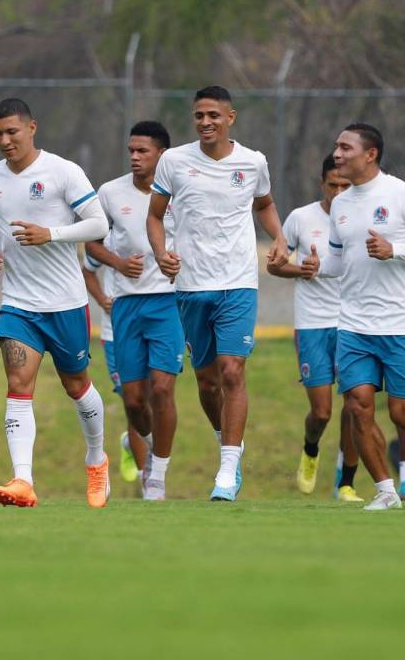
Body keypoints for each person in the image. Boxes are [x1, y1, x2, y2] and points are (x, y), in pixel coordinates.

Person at [303, 123, 405, 511]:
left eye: (345, 147)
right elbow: (340, 262)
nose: (337, 154)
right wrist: (316, 266)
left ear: (370, 154)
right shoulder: (340, 204)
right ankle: (386, 490)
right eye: (336, 146)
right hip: (353, 325)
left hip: (400, 326)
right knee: (357, 406)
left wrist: (396, 250)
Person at [147, 86, 288, 502]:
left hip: (238, 282)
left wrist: (278, 237)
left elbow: (264, 205)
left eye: (213, 115)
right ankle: (226, 440)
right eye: (198, 116)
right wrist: (161, 254)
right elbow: (155, 217)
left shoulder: (253, 161)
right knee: (208, 383)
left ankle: (227, 469)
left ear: (231, 118)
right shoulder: (173, 161)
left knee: (232, 372)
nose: (205, 122)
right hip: (190, 285)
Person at [0, 98, 110, 508]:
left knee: (77, 386)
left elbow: (99, 224)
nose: (5, 140)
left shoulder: (62, 172)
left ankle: (96, 460)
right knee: (18, 384)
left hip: (66, 303)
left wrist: (50, 234)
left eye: (12, 132)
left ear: (32, 128)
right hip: (18, 304)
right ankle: (23, 480)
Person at [88, 121, 185, 501]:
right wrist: (116, 262)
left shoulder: (182, 193)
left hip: (169, 303)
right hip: (126, 306)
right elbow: (92, 245)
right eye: (131, 151)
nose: (134, 157)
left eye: (142, 151)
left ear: (162, 155)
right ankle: (140, 447)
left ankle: (157, 475)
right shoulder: (111, 193)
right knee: (133, 400)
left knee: (162, 390)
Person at [267, 153, 364, 502]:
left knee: (355, 404)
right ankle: (311, 449)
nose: (338, 192)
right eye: (332, 185)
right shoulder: (300, 219)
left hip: (354, 323)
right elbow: (275, 266)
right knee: (322, 411)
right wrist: (301, 270)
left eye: (345, 185)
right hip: (312, 324)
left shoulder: (365, 218)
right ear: (322, 183)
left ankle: (346, 482)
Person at [83, 243, 146, 484]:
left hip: (153, 328)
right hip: (115, 334)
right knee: (135, 401)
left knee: (154, 398)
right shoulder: (108, 239)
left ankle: (131, 443)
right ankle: (146, 480)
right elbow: (87, 270)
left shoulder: (162, 230)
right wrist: (102, 299)